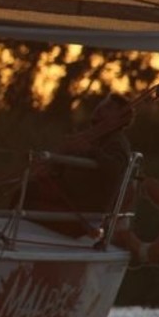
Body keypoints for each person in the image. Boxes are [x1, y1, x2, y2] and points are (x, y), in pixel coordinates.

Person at [27, 93, 135, 237]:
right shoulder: (92, 137)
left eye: (108, 107)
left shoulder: (117, 143)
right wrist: (53, 165)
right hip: (67, 199)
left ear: (120, 119)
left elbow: (114, 168)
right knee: (29, 187)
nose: (100, 108)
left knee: (28, 200)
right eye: (102, 104)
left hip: (83, 215)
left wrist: (90, 151)